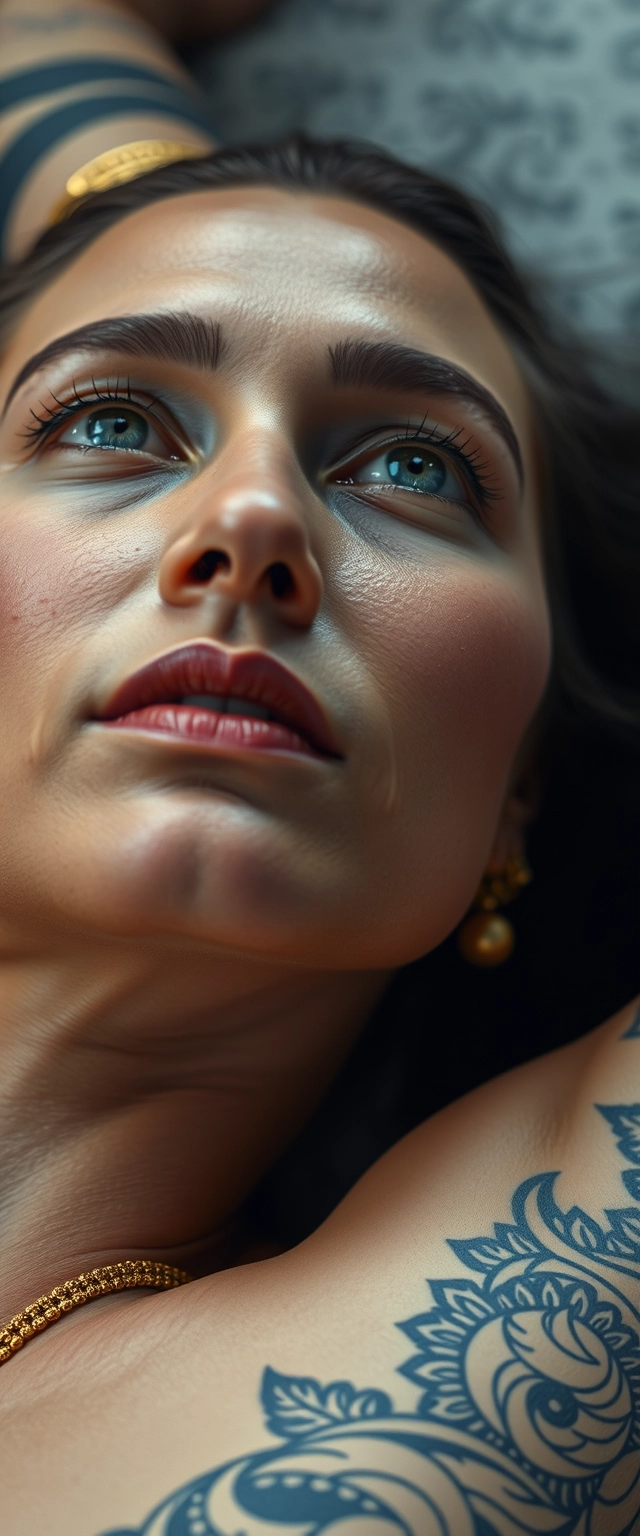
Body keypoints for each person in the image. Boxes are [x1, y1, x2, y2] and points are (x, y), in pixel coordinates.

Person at [0, 3, 639, 1533]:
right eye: (110, 421)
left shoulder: (460, 1357)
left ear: (518, 783)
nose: (256, 517)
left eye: (417, 468)